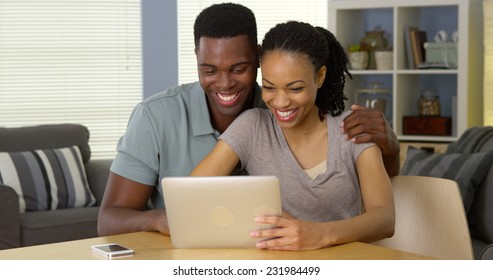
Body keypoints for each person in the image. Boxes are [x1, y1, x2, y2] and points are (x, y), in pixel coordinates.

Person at [97, 3, 399, 236]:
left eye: (239, 68)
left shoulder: (336, 125)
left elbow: (381, 208)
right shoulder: (249, 123)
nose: (225, 83)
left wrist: (391, 146)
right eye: (210, 69)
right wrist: (165, 219)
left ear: (257, 58)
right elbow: (176, 201)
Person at [191, 21, 395, 251]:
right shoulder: (252, 127)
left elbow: (385, 219)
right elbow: (191, 194)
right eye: (269, 87)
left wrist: (320, 235)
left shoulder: (353, 129)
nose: (280, 102)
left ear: (319, 76)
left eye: (295, 88)